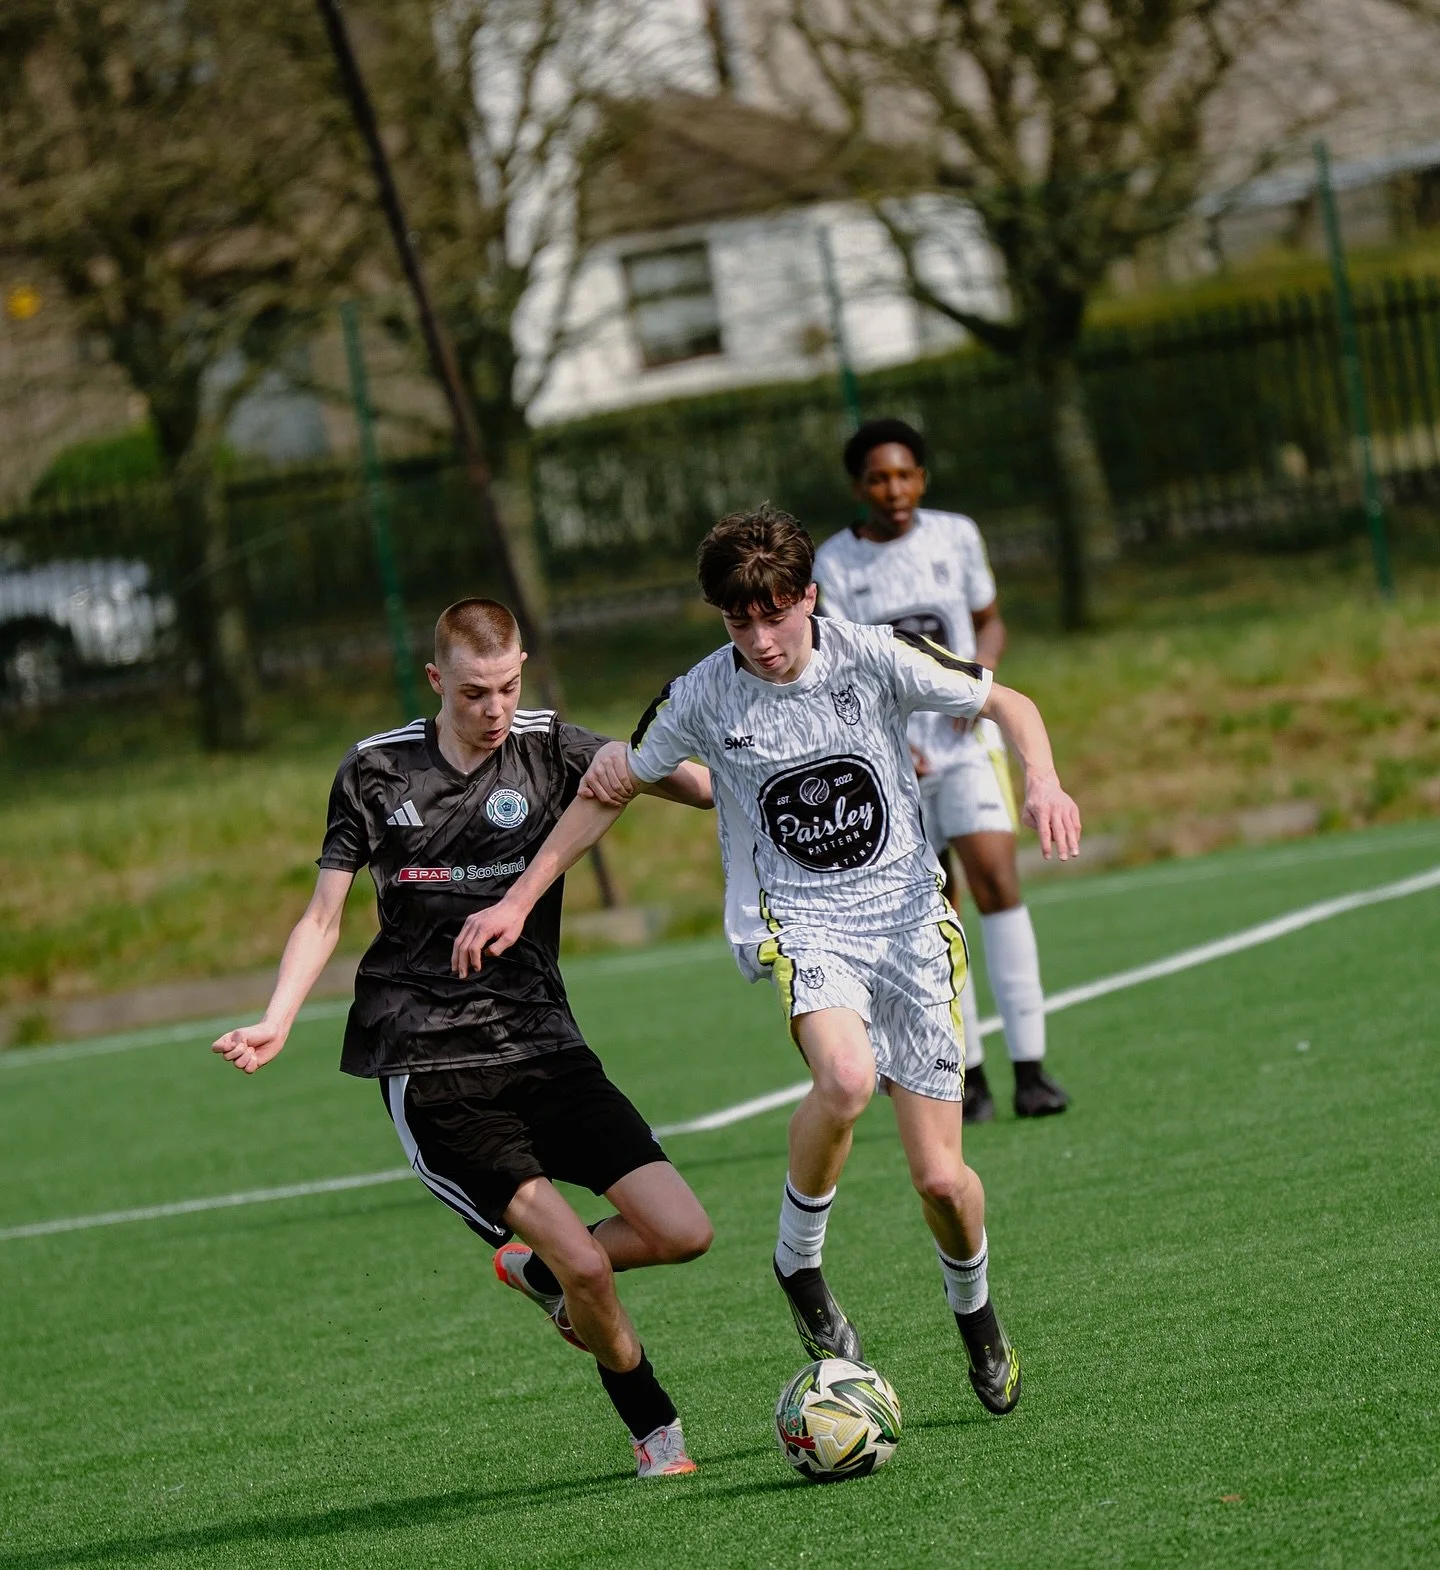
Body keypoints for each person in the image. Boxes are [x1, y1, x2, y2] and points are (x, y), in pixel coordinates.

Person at [450, 509, 1082, 1417]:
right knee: (847, 1078)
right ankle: (800, 1262)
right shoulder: (701, 695)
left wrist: (1044, 779)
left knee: (942, 1180)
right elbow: (610, 786)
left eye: (776, 616)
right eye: (739, 622)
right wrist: (517, 898)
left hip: (911, 924)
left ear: (809, 599)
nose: (762, 640)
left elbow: (1009, 702)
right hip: (802, 925)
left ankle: (979, 1321)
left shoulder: (872, 654)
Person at [212, 598, 716, 1480]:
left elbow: (678, 779)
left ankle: (544, 1273)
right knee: (591, 1268)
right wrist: (278, 1016)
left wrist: (671, 758)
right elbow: (324, 915)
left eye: (510, 686)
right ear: (438, 681)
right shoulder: (375, 771)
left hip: (545, 1046)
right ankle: (656, 1431)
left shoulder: (549, 743)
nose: (494, 709)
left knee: (683, 1231)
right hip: (433, 1066)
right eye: (476, 692)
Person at [812, 417, 1069, 1123]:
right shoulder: (833, 564)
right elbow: (836, 663)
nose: (893, 489)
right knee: (932, 913)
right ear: (858, 486)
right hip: (891, 761)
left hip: (964, 748)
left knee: (997, 883)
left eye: (905, 474)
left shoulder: (956, 534)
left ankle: (1033, 1069)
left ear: (922, 478)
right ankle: (968, 1075)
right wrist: (879, 733)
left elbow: (990, 620)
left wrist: (977, 678)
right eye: (877, 478)